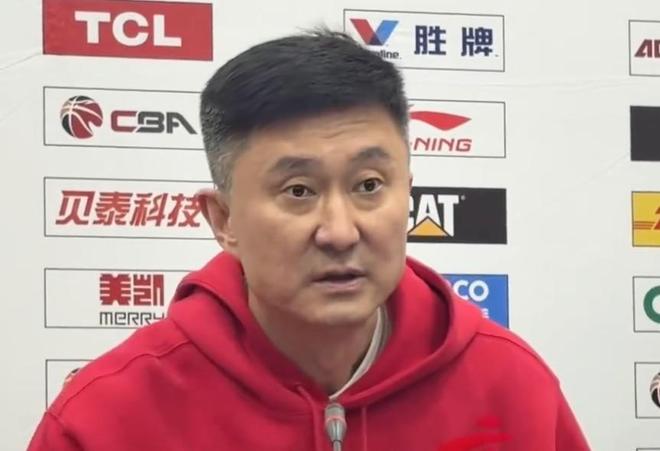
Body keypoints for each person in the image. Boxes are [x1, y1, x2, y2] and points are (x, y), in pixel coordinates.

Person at [28, 30, 590, 451]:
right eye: (298, 191)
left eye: (369, 185)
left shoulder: (511, 386)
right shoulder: (107, 417)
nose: (340, 231)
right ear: (223, 220)